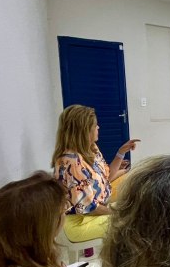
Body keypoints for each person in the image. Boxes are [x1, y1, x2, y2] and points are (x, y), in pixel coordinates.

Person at [52, 104, 140, 242]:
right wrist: (119, 212)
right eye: (95, 125)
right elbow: (91, 208)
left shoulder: (91, 147)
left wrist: (121, 152)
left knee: (136, 182)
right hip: (81, 220)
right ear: (83, 131)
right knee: (132, 221)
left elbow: (107, 176)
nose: (98, 128)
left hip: (99, 203)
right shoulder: (71, 162)